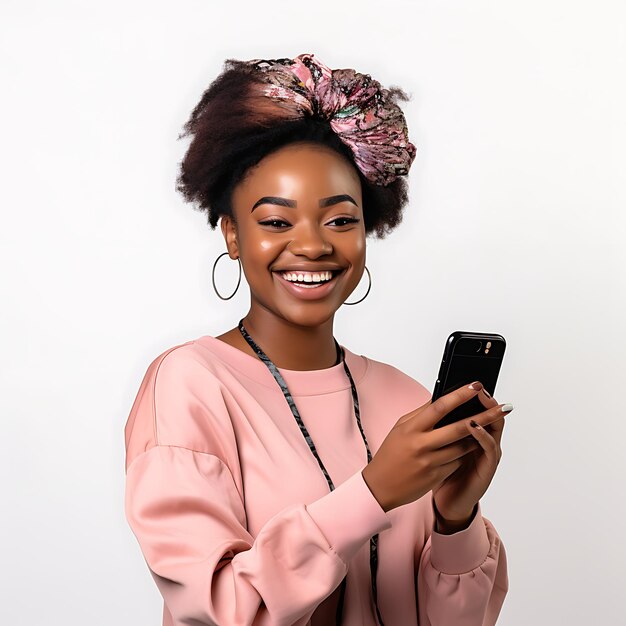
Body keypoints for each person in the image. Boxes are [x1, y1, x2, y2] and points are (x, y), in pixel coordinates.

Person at [123, 53, 510, 626]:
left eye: (340, 220)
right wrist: (373, 493)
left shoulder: (406, 400)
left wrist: (456, 519)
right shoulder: (191, 385)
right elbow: (222, 612)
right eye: (277, 222)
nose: (312, 246)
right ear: (231, 234)